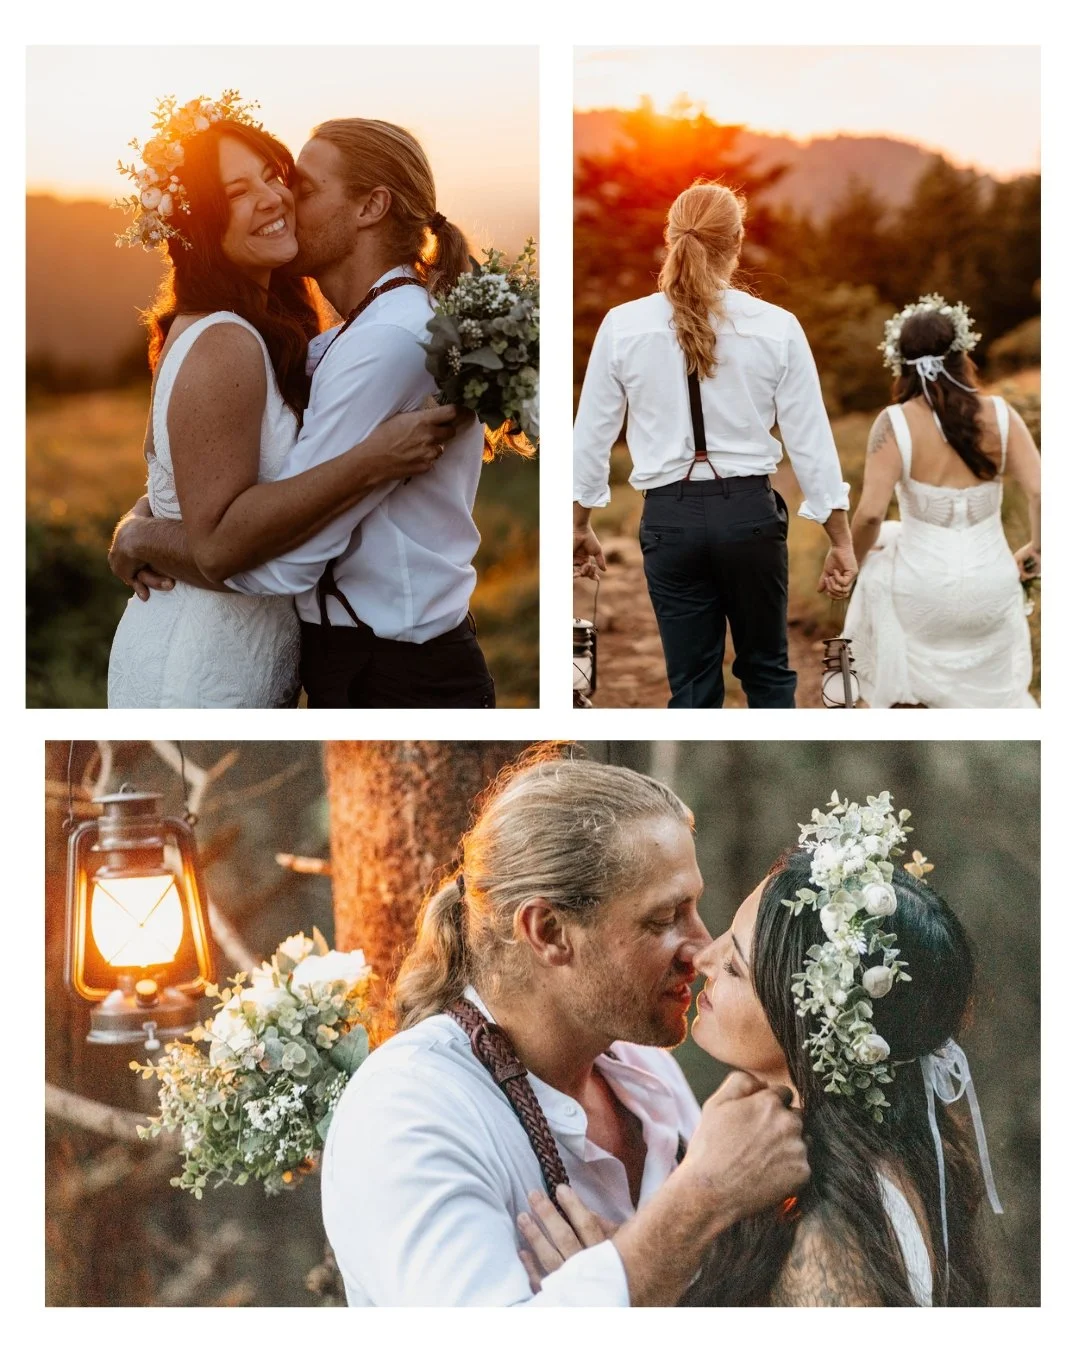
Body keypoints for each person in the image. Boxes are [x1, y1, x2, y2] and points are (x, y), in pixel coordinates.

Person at [320, 753, 810, 1305]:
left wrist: (605, 1283)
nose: (701, 949)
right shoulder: (407, 1110)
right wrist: (698, 1201)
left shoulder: (647, 1071)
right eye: (662, 919)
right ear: (549, 931)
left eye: (693, 907)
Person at [519, 791, 1003, 1306]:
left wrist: (608, 1307)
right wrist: (631, 1263)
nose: (704, 956)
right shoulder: (817, 1168)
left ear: (806, 1022)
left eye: (733, 967)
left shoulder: (831, 1235)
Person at [109, 106, 496, 708]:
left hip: (385, 663)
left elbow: (278, 567)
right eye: (243, 189)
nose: (280, 198)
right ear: (205, 219)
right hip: (222, 655)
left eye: (288, 181)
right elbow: (208, 491)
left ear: (370, 207)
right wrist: (142, 526)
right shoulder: (254, 338)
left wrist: (144, 538)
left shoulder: (380, 338)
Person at [572, 180, 856, 709]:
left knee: (692, 684)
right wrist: (840, 540)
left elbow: (590, 436)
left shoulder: (623, 326)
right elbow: (811, 441)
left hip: (669, 521)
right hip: (749, 514)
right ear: (737, 241)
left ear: (670, 239)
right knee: (768, 673)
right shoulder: (778, 328)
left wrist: (578, 523)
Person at [843, 294, 1041, 707]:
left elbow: (871, 516)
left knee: (878, 563)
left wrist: (849, 564)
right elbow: (1041, 491)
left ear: (900, 362)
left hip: (923, 596)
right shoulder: (1002, 415)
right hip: (993, 587)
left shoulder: (893, 424)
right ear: (962, 355)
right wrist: (1037, 549)